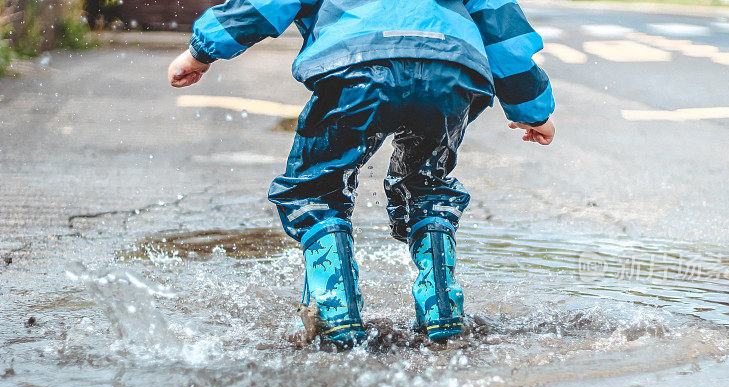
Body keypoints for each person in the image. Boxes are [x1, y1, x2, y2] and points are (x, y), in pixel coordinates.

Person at [168, 0, 555, 346]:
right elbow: (502, 27)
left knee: (315, 191)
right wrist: (532, 111)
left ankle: (337, 314)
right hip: (449, 70)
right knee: (426, 186)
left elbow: (264, 6)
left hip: (357, 64)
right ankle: (441, 308)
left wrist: (201, 52)